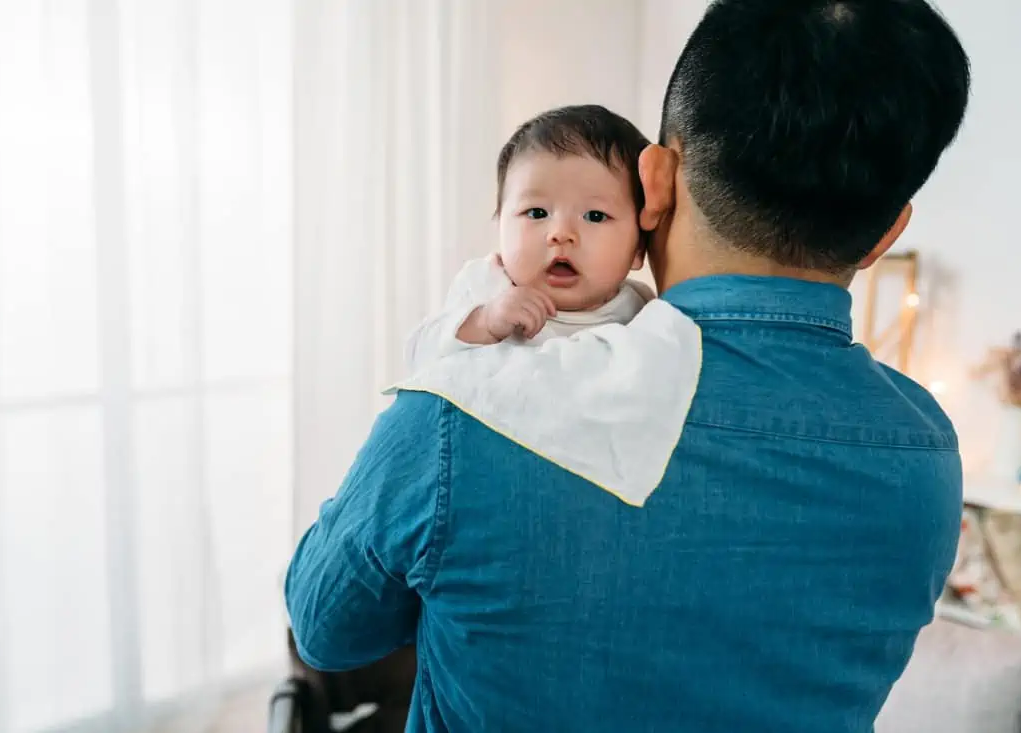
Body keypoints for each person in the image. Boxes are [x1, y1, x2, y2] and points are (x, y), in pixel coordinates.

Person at [285, 1, 971, 731]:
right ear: (885, 232)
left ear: (657, 180)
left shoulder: (475, 399)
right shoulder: (926, 459)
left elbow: (326, 628)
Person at [403, 104, 658, 371]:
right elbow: (418, 356)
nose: (561, 234)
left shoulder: (639, 310)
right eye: (536, 213)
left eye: (595, 216)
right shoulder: (485, 285)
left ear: (638, 249)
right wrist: (484, 323)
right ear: (500, 224)